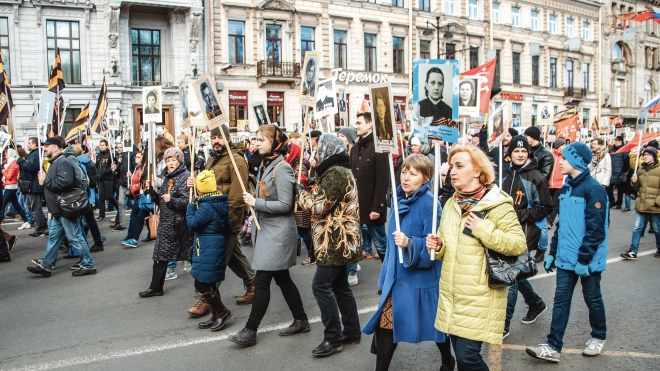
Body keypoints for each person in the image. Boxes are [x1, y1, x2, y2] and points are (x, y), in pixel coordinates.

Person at [427, 145, 526, 371]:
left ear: (478, 171)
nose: (452, 171)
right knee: (463, 360)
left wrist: (483, 229)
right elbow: (445, 245)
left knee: (468, 357)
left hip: (480, 296)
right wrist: (438, 245)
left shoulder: (497, 204)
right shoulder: (452, 203)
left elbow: (518, 244)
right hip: (453, 294)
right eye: (451, 166)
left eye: (459, 166)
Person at [363, 154, 454, 371]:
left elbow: (434, 246)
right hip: (397, 278)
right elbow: (392, 247)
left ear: (425, 178)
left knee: (436, 325)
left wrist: (410, 243)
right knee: (386, 324)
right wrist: (385, 277)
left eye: (413, 174)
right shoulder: (397, 197)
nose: (406, 177)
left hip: (420, 278)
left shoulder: (430, 204)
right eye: (404, 171)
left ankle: (447, 359)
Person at [526, 142, 609, 363]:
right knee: (561, 301)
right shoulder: (567, 187)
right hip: (566, 258)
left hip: (586, 260)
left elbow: (596, 229)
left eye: (564, 158)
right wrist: (553, 251)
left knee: (592, 298)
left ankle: (598, 337)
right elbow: (563, 225)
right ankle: (553, 346)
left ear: (576, 161)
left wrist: (584, 258)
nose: (559, 162)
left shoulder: (594, 189)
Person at [228, 125, 309, 347]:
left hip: (278, 234)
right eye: (255, 139)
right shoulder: (267, 164)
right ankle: (301, 319)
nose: (257, 143)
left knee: (261, 281)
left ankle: (250, 330)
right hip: (268, 232)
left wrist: (257, 203)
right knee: (283, 279)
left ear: (275, 142)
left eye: (261, 139)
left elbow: (285, 204)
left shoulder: (281, 168)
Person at [297, 134, 362, 357]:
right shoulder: (336, 170)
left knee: (320, 286)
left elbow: (319, 207)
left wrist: (300, 195)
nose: (315, 154)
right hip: (339, 239)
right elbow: (325, 197)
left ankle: (333, 338)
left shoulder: (335, 172)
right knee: (340, 286)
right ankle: (352, 331)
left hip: (335, 240)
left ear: (327, 151)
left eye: (318, 149)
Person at [186, 124, 255, 319]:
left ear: (228, 138)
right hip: (211, 218)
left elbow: (236, 195)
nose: (216, 141)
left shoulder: (238, 161)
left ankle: (208, 299)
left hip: (223, 220)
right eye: (213, 137)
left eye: (220, 137)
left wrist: (230, 223)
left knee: (216, 260)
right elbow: (206, 186)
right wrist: (195, 183)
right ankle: (253, 285)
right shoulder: (211, 159)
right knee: (232, 254)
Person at [501, 136, 552, 339]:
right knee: (517, 273)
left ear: (528, 153)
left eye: (524, 152)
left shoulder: (535, 177)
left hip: (525, 232)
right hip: (504, 230)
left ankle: (504, 323)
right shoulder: (504, 175)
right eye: (516, 151)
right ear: (510, 154)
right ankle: (535, 302)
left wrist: (519, 214)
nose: (520, 155)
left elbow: (545, 207)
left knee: (511, 274)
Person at [27, 137, 97, 277]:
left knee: (75, 237)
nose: (44, 149)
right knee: (54, 238)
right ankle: (46, 265)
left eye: (47, 146)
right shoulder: (55, 162)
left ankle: (88, 264)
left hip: (65, 208)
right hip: (59, 209)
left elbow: (65, 182)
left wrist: (46, 181)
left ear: (55, 147)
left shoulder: (63, 162)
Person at [139, 148, 192, 297]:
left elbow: (186, 202)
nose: (170, 163)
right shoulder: (168, 177)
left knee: (190, 254)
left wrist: (172, 201)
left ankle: (207, 285)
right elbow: (163, 199)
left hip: (179, 224)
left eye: (173, 160)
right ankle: (156, 287)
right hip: (167, 223)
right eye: (168, 160)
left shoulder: (184, 177)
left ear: (179, 160)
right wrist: (154, 194)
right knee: (160, 255)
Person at [186, 170, 233, 331]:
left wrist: (191, 207)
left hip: (207, 246)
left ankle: (222, 311)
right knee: (210, 282)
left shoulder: (206, 206)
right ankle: (215, 315)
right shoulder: (219, 202)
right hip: (216, 243)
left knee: (201, 283)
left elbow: (192, 224)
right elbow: (228, 228)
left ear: (201, 189)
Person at [350, 112, 389, 283]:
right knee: (353, 241)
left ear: (370, 124)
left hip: (372, 206)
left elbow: (382, 180)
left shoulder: (380, 146)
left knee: (381, 244)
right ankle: (351, 273)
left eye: (359, 123)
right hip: (355, 205)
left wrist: (377, 207)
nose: (356, 125)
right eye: (356, 123)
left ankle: (391, 272)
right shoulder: (355, 147)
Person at [621, 146, 660, 260]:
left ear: (653, 156)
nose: (644, 156)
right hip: (642, 203)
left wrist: (657, 202)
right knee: (637, 228)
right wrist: (634, 182)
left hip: (654, 205)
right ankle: (633, 251)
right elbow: (637, 188)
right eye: (644, 155)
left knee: (657, 228)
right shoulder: (641, 169)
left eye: (647, 154)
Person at [285, 143, 313, 264]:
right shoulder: (293, 164)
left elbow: (303, 179)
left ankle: (312, 254)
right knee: (298, 230)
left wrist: (297, 177)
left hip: (301, 202)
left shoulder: (299, 165)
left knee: (303, 230)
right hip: (296, 201)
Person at [17, 137, 46, 237]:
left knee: (35, 207)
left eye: (29, 143)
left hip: (35, 185)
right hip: (31, 185)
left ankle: (39, 228)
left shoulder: (36, 154)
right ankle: (43, 224)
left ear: (34, 144)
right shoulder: (33, 154)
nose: (28, 145)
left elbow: (32, 167)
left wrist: (21, 161)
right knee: (30, 205)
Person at [2, 148, 30, 229]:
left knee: (2, 206)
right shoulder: (11, 163)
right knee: (17, 205)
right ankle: (26, 221)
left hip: (10, 186)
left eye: (6, 154)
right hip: (11, 186)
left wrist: (3, 170)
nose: (5, 156)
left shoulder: (12, 164)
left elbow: (9, 176)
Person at [121, 151, 145, 248]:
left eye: (138, 157)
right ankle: (132, 237)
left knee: (136, 216)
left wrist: (134, 187)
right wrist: (131, 177)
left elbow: (140, 182)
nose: (136, 158)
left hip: (139, 194)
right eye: (136, 157)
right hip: (136, 194)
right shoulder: (137, 168)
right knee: (138, 217)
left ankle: (132, 237)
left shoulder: (142, 169)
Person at [95, 139, 118, 221]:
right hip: (101, 179)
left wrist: (111, 169)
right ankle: (102, 214)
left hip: (108, 178)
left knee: (109, 195)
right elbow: (97, 167)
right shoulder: (98, 156)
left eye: (103, 145)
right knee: (101, 196)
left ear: (106, 146)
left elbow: (115, 165)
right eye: (100, 145)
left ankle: (119, 208)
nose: (101, 146)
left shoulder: (110, 155)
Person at [547, 138, 567, 228]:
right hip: (551, 183)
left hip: (560, 183)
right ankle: (562, 221)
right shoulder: (552, 154)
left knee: (555, 203)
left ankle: (550, 221)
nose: (564, 146)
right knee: (552, 203)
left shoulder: (566, 155)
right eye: (562, 145)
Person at [607, 136, 629, 210]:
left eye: (618, 140)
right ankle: (612, 201)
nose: (616, 142)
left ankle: (619, 203)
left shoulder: (624, 150)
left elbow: (626, 161)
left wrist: (625, 172)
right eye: (615, 140)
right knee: (609, 188)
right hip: (611, 171)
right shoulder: (611, 149)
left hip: (620, 172)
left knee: (620, 190)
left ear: (621, 141)